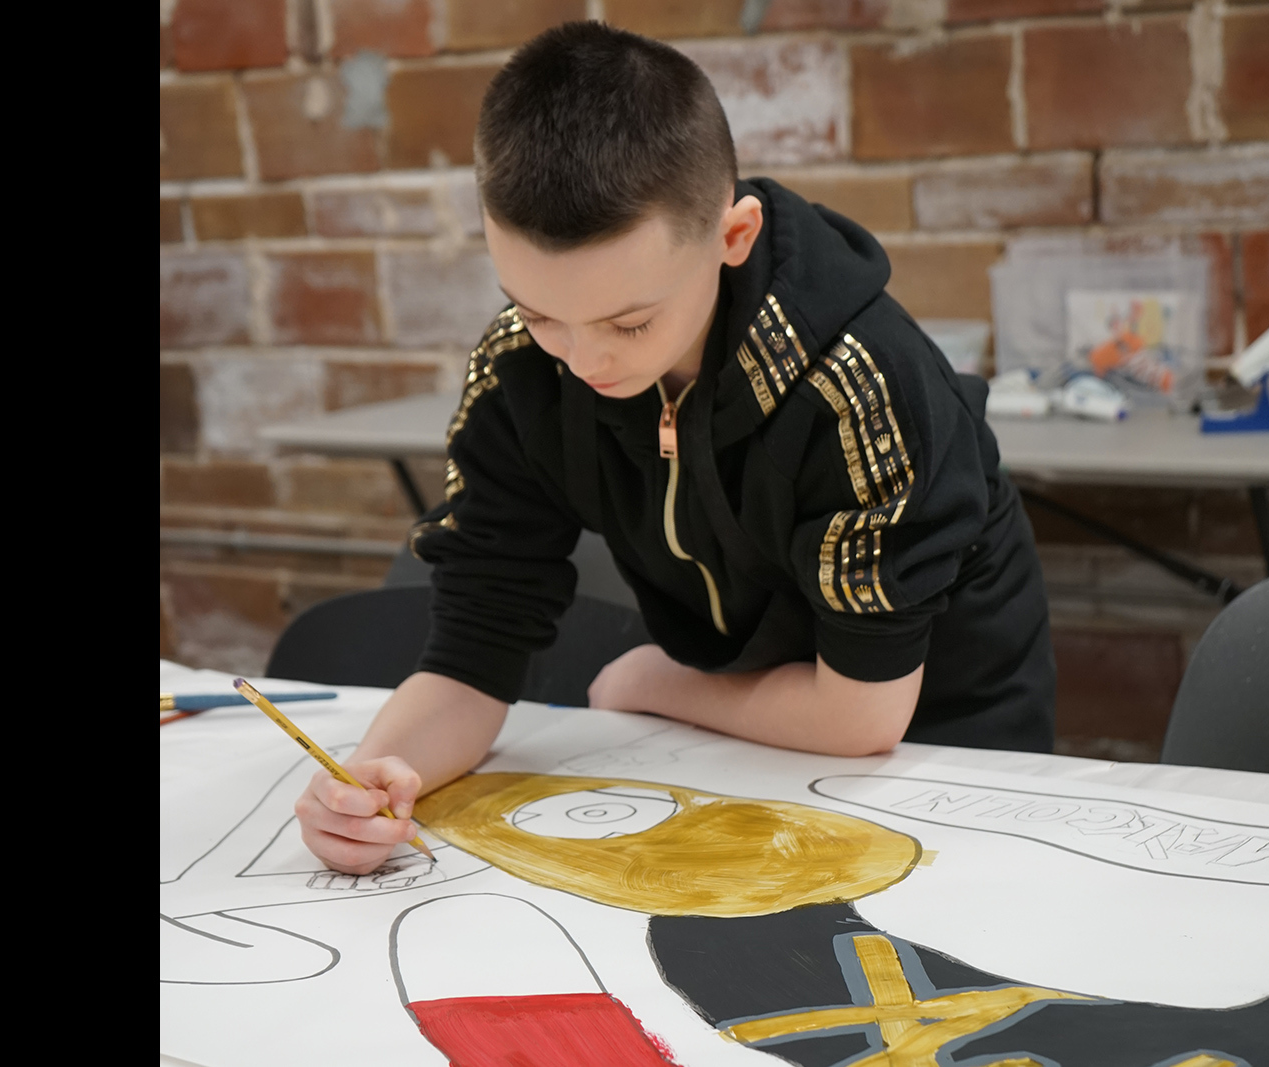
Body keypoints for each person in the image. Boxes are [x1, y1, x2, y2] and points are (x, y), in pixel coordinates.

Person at [295, 21, 1057, 875]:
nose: (583, 363)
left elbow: (861, 720)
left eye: (629, 322)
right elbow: (474, 652)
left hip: (941, 755)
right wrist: (380, 775)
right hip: (736, 746)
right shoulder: (521, 370)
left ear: (733, 238)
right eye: (539, 310)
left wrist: (653, 685)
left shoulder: (860, 386)